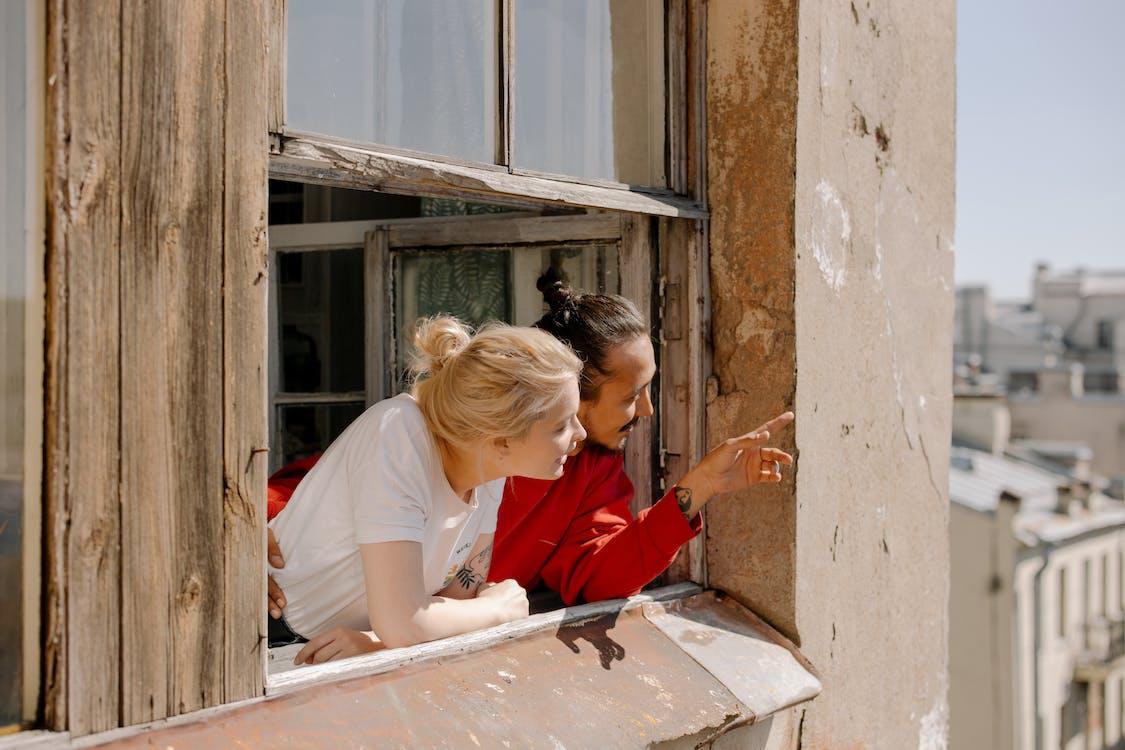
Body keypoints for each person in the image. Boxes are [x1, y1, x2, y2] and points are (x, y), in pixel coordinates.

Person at [268, 273, 793, 620]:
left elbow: (597, 576)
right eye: (632, 395)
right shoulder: (419, 436)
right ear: (571, 396)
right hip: (294, 628)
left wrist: (695, 489)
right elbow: (313, 497)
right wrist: (249, 541)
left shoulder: (588, 474)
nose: (647, 411)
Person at [267, 316, 585, 665]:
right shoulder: (399, 434)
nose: (580, 434)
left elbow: (454, 600)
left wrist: (380, 640)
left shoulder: (487, 465)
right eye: (561, 425)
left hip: (346, 657)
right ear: (501, 439)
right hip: (275, 645)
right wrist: (499, 610)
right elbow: (409, 619)